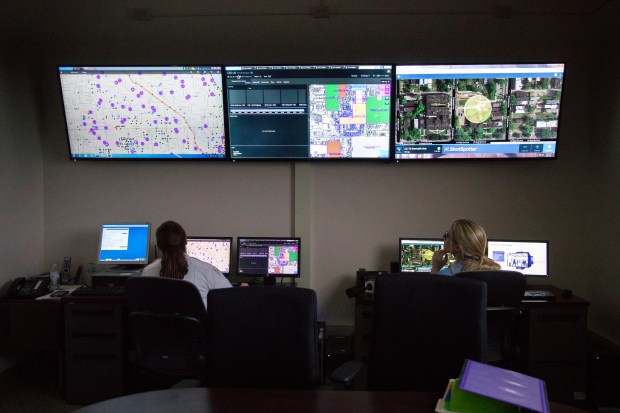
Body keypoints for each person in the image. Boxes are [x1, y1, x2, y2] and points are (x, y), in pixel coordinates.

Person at [141, 220, 232, 308]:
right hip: (197, 323)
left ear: (159, 245)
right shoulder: (207, 270)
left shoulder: (147, 272)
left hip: (157, 324)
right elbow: (230, 299)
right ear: (185, 241)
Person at [431, 218, 500, 276]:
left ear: (457, 247)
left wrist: (435, 269)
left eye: (447, 235)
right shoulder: (495, 271)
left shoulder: (445, 276)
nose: (444, 237)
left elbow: (431, 290)